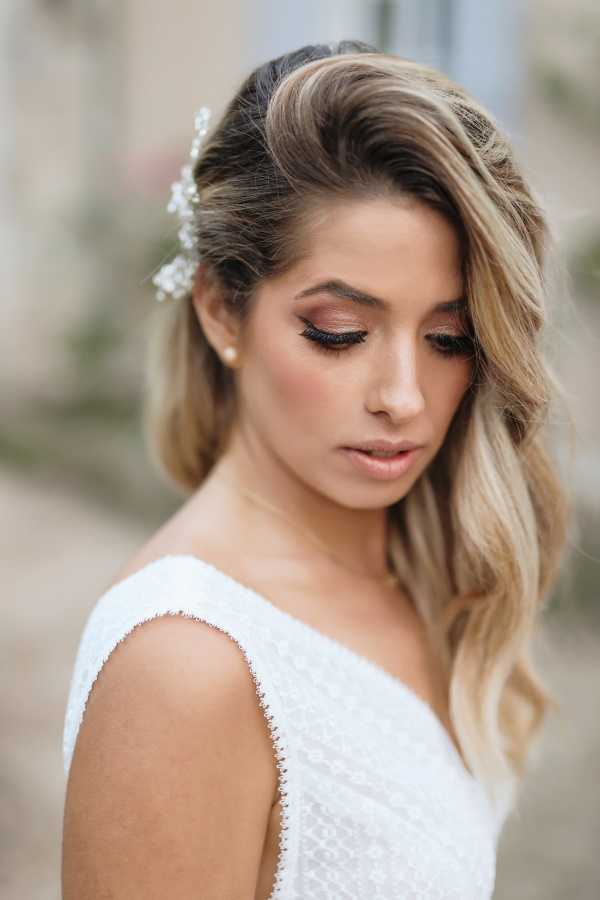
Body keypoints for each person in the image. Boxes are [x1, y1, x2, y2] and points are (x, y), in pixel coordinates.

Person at [61, 40, 570, 899]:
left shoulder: (419, 564)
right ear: (224, 308)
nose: (404, 396)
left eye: (450, 339)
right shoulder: (185, 665)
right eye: (340, 332)